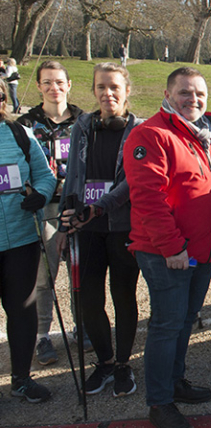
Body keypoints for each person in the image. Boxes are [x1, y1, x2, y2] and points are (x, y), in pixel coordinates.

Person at [123, 68, 211, 428]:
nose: (193, 99)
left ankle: (175, 380)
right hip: (168, 253)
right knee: (167, 325)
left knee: (185, 320)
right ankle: (160, 401)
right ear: (168, 94)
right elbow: (148, 199)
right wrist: (172, 247)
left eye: (199, 93)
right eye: (185, 92)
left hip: (201, 250)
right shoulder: (151, 134)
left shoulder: (206, 137)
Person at [60, 62, 142, 397]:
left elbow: (131, 183)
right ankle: (105, 361)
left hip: (122, 226)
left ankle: (124, 363)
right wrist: (68, 218)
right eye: (101, 87)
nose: (107, 94)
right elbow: (73, 175)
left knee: (124, 296)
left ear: (126, 91)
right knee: (86, 300)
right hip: (86, 228)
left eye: (114, 88)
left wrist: (102, 205)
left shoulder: (138, 130)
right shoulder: (82, 126)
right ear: (93, 91)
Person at [18, 61, 87, 366]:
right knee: (44, 276)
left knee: (79, 272)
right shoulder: (26, 123)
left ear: (69, 84)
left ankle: (81, 327)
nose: (53, 88)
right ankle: (42, 336)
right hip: (44, 205)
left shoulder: (84, 121)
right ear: (38, 86)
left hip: (77, 204)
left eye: (59, 82)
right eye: (47, 82)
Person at [0, 77, 57, 402]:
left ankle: (21, 378)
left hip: (20, 238)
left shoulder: (18, 133)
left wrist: (42, 195)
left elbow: (44, 176)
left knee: (22, 310)